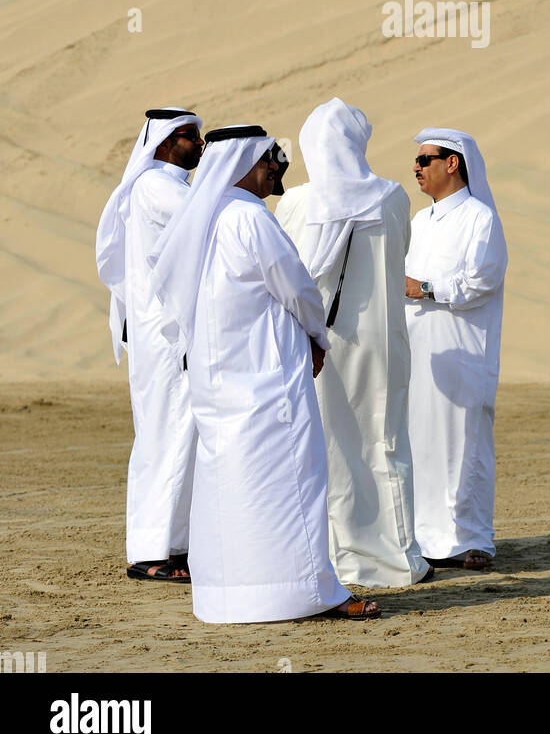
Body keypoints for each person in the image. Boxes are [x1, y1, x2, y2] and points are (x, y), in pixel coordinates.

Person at [149, 123, 379, 624]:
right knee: (293, 479)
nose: (277, 167)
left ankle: (232, 597)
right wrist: (319, 337)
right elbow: (297, 290)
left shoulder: (206, 218)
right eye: (271, 158)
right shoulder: (249, 219)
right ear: (246, 164)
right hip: (268, 379)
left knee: (233, 486)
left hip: (218, 383)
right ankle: (311, 593)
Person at [277, 98, 430, 588]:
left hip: (316, 343)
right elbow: (399, 253)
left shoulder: (295, 202)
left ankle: (334, 553)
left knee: (326, 445)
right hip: (380, 343)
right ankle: (396, 557)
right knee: (383, 442)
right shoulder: (392, 198)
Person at [96, 107, 204, 583]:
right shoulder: (158, 186)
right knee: (166, 435)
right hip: (165, 338)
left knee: (181, 435)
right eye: (189, 136)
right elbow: (205, 225)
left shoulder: (172, 186)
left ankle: (173, 545)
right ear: (163, 143)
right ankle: (151, 552)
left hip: (171, 336)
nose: (200, 145)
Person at [404, 127, 508, 571]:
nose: (416, 168)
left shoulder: (480, 219)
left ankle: (472, 540)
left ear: (452, 163)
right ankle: (426, 539)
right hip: (420, 354)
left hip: (464, 354)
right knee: (421, 444)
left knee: (465, 446)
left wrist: (425, 288)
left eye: (425, 160)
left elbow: (482, 281)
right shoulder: (419, 222)